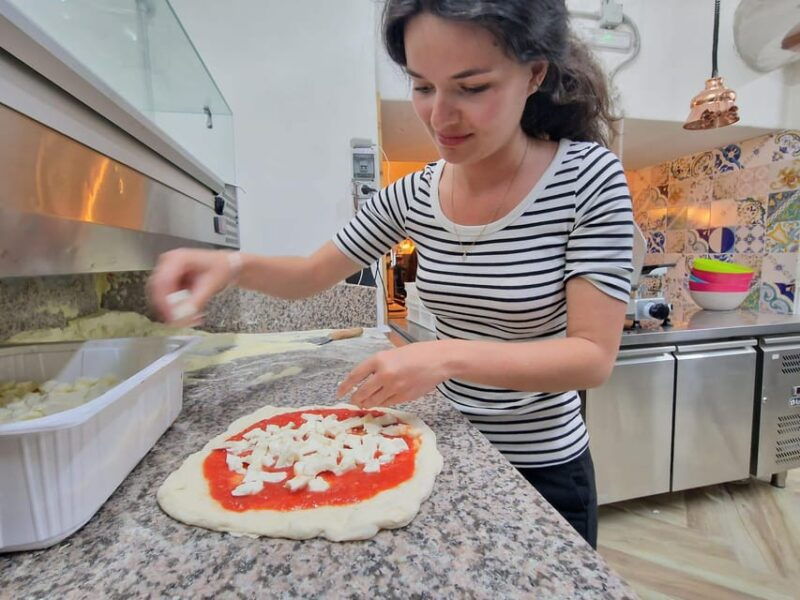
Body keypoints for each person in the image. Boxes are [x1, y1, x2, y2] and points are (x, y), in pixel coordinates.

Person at [147, 0, 633, 549]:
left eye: (472, 88)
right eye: (422, 86)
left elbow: (591, 356)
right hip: (447, 447)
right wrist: (230, 264)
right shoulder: (414, 194)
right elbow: (311, 273)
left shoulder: (587, 178)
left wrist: (444, 356)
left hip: (543, 468)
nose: (440, 117)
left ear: (534, 74)